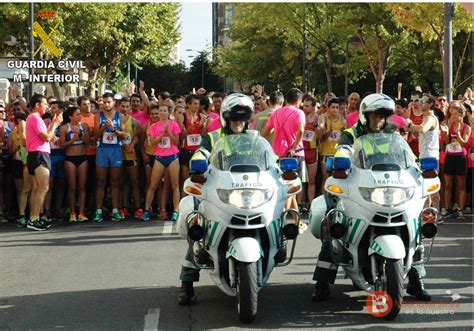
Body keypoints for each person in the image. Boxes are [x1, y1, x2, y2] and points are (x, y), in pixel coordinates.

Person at [312, 93, 433, 302]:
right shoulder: (351, 133)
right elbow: (344, 150)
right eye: (373, 116)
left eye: (382, 116)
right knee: (334, 222)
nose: (378, 120)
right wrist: (340, 162)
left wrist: (417, 169)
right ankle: (322, 282)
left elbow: (405, 157)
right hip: (356, 184)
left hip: (387, 187)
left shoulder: (393, 133)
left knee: (415, 227)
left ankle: (415, 281)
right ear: (364, 116)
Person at [178, 93, 255, 306]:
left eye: (242, 120)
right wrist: (198, 164)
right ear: (225, 119)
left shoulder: (254, 138)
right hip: (218, 192)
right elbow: (200, 154)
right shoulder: (212, 137)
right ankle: (187, 283)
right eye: (234, 119)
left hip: (248, 193)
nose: (238, 124)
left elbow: (270, 159)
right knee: (199, 228)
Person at [25, 94, 62, 231]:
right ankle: (34, 218)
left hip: (37, 153)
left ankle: (34, 218)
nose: (47, 106)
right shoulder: (34, 117)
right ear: (37, 105)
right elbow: (46, 137)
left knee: (37, 187)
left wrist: (52, 124)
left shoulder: (35, 118)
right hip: (39, 154)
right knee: (44, 187)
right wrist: (56, 124)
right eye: (45, 104)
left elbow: (47, 136)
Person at [142, 104, 181, 222]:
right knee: (153, 185)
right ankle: (146, 211)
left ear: (168, 112)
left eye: (165, 110)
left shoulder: (174, 124)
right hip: (159, 157)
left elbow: (177, 141)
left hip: (173, 157)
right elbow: (152, 143)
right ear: (158, 113)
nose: (163, 113)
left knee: (175, 186)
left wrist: (168, 131)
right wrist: (160, 135)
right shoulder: (153, 127)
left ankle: (176, 211)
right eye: (161, 111)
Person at [92, 92, 127, 222]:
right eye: (104, 102)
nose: (106, 104)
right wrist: (104, 126)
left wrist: (113, 129)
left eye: (109, 102)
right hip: (102, 150)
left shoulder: (120, 116)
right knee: (100, 181)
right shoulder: (98, 116)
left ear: (114, 103)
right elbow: (95, 135)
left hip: (116, 150)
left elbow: (124, 134)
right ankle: (99, 211)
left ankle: (115, 210)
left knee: (115, 182)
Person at [440, 102, 471, 219]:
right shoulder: (448, 124)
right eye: (451, 114)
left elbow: (464, 144)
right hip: (449, 157)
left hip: (461, 157)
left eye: (455, 115)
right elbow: (445, 142)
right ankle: (447, 209)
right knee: (447, 184)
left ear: (461, 115)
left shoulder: (466, 127)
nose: (452, 117)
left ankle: (460, 210)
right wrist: (446, 131)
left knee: (460, 185)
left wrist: (458, 134)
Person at [59, 106, 90, 222]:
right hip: (70, 158)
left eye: (79, 114)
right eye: (77, 114)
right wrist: (72, 140)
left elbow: (88, 142)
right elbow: (62, 145)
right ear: (70, 116)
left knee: (82, 187)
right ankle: (72, 212)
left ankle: (81, 213)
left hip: (83, 157)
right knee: (72, 187)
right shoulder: (64, 128)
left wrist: (81, 134)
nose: (79, 116)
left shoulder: (84, 126)